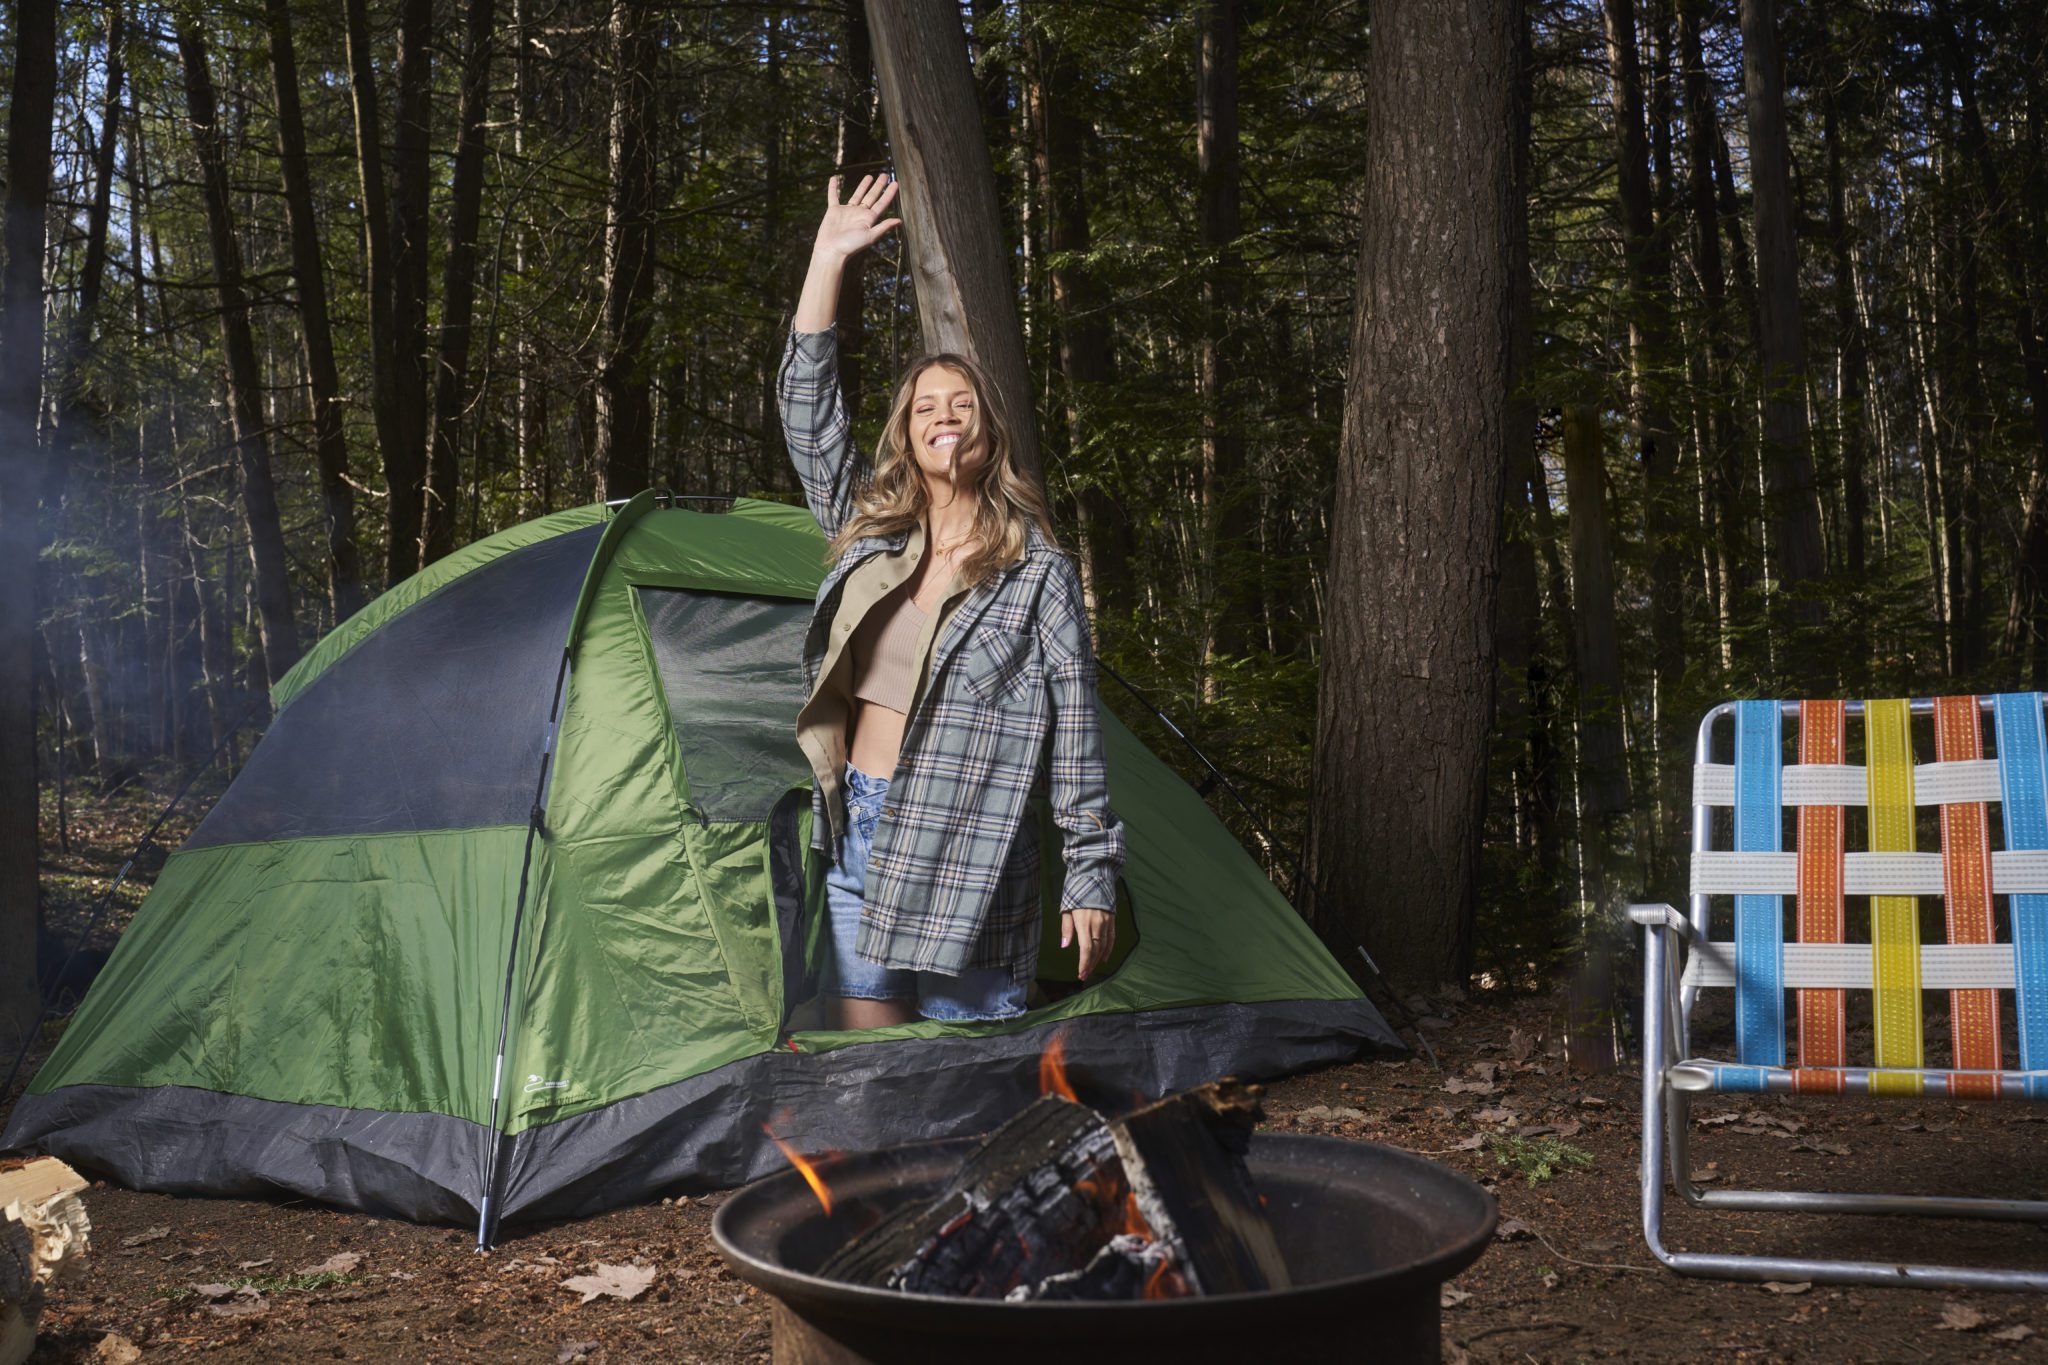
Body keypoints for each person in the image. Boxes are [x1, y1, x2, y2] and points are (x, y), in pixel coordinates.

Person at [780, 171, 1125, 1028]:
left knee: (966, 1086)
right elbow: (806, 410)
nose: (945, 416)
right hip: (861, 821)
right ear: (907, 431)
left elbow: (1077, 735)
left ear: (988, 430)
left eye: (962, 404)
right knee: (874, 1082)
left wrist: (1088, 874)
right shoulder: (871, 531)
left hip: (976, 842)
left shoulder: (1036, 570)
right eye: (926, 406)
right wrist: (828, 257)